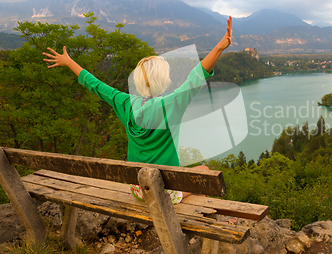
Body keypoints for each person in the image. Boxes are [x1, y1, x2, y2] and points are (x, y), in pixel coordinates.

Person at [43, 16, 232, 201]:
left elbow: (96, 85)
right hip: (165, 193)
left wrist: (69, 62)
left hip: (139, 189)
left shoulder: (124, 103)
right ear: (163, 81)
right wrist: (219, 47)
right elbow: (197, 76)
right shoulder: (171, 105)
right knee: (204, 172)